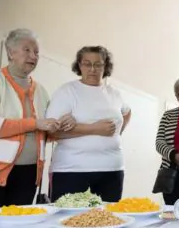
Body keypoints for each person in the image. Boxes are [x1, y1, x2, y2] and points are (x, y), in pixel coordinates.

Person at [0, 28, 67, 212]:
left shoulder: (41, 90)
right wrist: (34, 124)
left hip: (29, 173)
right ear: (10, 52)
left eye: (36, 52)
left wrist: (59, 126)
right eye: (27, 50)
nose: (33, 56)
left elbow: (44, 133)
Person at [46, 46, 131, 202]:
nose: (92, 69)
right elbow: (51, 132)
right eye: (87, 63)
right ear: (79, 65)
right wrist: (94, 129)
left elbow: (127, 112)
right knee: (69, 219)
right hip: (71, 170)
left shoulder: (114, 93)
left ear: (105, 66)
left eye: (98, 64)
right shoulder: (67, 91)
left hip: (112, 169)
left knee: (107, 220)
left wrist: (118, 131)